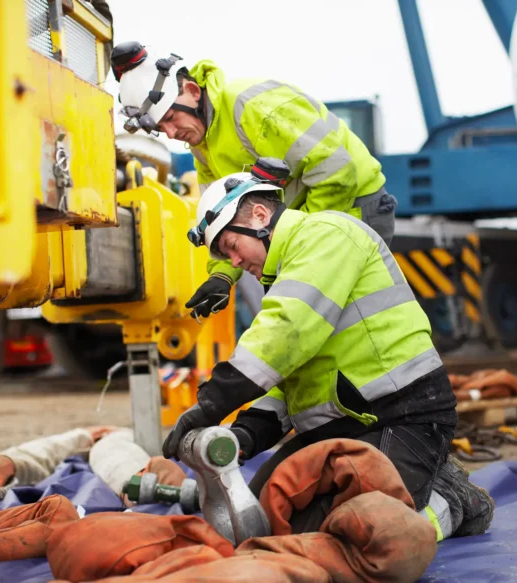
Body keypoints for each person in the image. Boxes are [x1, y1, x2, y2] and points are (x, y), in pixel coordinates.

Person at [161, 160, 494, 541]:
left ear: (259, 216)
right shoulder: (288, 272)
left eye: (232, 247)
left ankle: (451, 500)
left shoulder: (326, 236)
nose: (234, 262)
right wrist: (247, 434)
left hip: (400, 418)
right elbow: (289, 378)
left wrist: (210, 404)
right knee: (265, 522)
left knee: (353, 534)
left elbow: (284, 333)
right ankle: (422, 482)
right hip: (340, 427)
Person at [110, 42, 398, 322]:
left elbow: (336, 174)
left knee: (348, 325)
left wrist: (292, 242)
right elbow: (220, 219)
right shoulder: (203, 145)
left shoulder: (252, 107)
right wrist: (221, 275)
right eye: (161, 128)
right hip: (311, 221)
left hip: (354, 208)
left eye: (171, 118)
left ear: (193, 91)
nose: (172, 134)